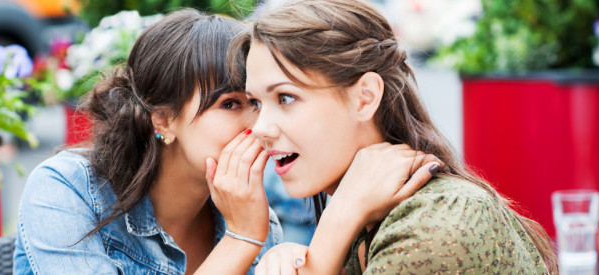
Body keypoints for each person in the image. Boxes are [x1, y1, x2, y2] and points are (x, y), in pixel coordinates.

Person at [13, 7, 440, 275]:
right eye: (233, 105)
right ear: (163, 118)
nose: (260, 125)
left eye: (262, 101)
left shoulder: (253, 216)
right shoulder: (67, 190)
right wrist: (241, 240)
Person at [233, 0, 559, 274]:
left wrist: (336, 224)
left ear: (365, 98)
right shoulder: (369, 220)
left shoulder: (431, 227)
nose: (260, 127)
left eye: (286, 98)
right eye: (256, 104)